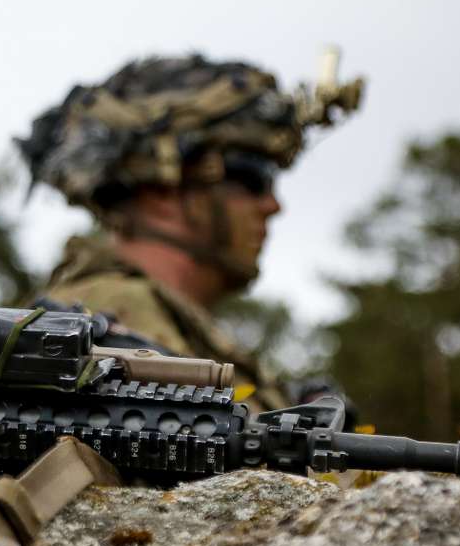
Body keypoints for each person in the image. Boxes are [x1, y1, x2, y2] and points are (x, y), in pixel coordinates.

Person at [19, 53, 362, 410]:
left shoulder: (179, 329)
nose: (273, 206)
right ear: (163, 193)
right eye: (252, 178)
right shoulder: (106, 324)